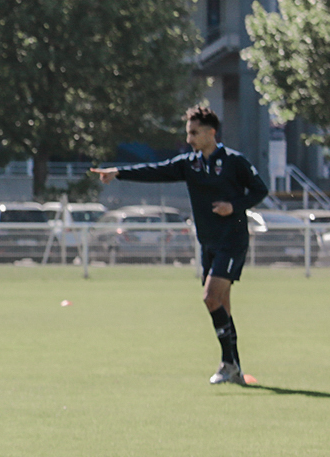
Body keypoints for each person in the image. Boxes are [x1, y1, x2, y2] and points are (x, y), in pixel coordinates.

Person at [91, 104, 269, 384]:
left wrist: (233, 206)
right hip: (207, 242)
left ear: (211, 133)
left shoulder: (234, 161)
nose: (189, 139)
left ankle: (227, 363)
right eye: (188, 133)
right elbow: (156, 171)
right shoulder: (191, 163)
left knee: (210, 298)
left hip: (232, 241)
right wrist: (118, 172)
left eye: (194, 133)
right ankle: (234, 366)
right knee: (221, 303)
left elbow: (261, 190)